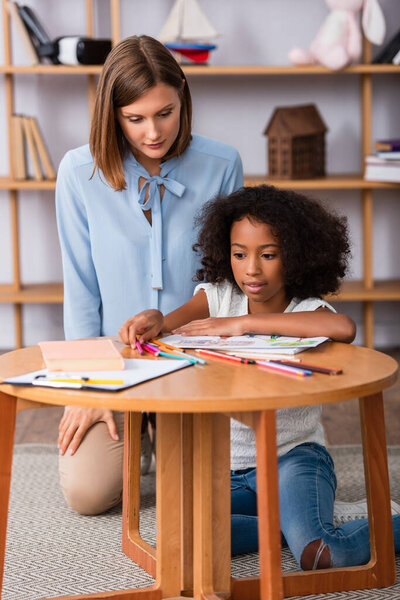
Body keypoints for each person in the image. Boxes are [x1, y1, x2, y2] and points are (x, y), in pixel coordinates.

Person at [119, 184, 400, 569]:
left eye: (268, 255)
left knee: (320, 554)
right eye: (239, 254)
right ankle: (295, 521)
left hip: (294, 460)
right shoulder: (217, 297)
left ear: (296, 257)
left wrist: (243, 323)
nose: (252, 269)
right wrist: (154, 317)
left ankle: (317, 523)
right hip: (227, 469)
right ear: (226, 253)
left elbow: (343, 326)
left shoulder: (306, 309)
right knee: (185, 538)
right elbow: (170, 323)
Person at [55, 34, 243, 515]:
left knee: (201, 493)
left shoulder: (222, 165)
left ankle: (162, 434)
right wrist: (87, 385)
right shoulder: (78, 172)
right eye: (134, 118)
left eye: (165, 112)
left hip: (197, 359)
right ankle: (135, 432)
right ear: (111, 113)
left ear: (183, 97)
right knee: (88, 494)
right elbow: (81, 287)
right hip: (112, 364)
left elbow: (230, 282)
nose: (152, 132)